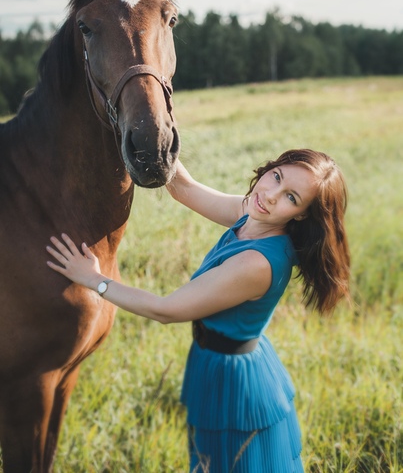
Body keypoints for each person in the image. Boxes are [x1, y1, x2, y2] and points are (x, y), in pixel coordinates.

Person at [46, 148, 350, 473]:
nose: (271, 195)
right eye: (276, 177)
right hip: (220, 361)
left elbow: (166, 310)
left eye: (291, 197)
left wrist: (94, 280)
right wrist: (153, 138)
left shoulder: (257, 263)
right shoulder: (253, 213)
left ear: (302, 213)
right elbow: (184, 188)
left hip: (235, 381)